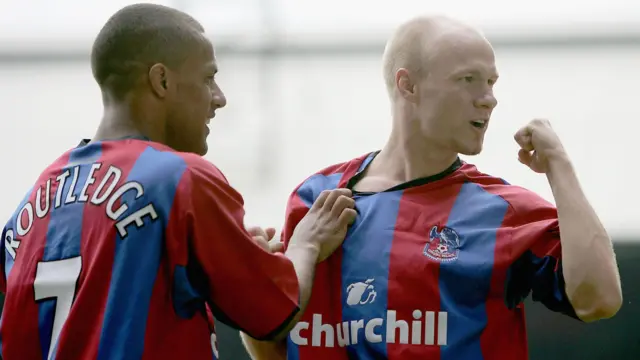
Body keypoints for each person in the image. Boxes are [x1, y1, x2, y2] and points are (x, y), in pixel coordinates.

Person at [240, 15, 622, 360]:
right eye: (467, 79)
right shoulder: (316, 199)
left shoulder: (504, 212)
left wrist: (560, 167)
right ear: (408, 85)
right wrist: (254, 303)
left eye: (490, 82)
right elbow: (279, 351)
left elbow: (599, 301)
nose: (488, 98)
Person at [0, 3, 356, 360]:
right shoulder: (181, 178)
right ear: (162, 81)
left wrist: (237, 257)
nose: (219, 98)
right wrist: (306, 246)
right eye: (207, 78)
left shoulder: (31, 203)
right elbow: (276, 313)